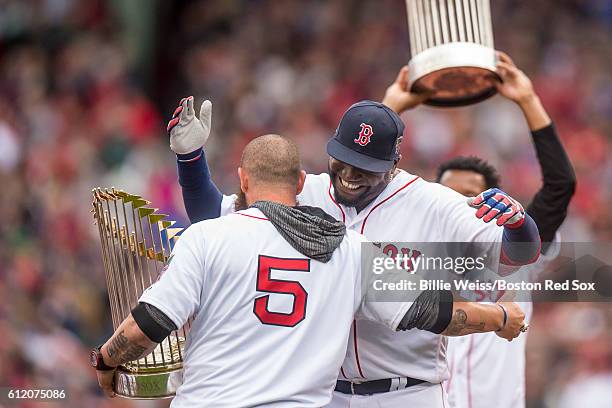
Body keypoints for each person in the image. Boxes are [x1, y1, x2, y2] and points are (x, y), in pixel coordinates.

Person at [166, 67, 541, 406]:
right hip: (324, 393)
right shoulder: (304, 193)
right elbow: (213, 219)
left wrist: (518, 222)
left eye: (365, 167)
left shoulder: (434, 204)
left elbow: (515, 256)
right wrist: (190, 159)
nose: (349, 174)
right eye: (342, 160)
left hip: (408, 391)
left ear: (394, 164)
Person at [90, 134, 527, 407]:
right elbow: (430, 311)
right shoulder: (345, 249)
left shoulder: (208, 237)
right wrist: (498, 318)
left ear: (242, 180)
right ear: (302, 183)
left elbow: (148, 323)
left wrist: (107, 360)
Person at [436, 52, 576, 408]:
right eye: (447, 194)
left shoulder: (516, 251)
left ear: (491, 204)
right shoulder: (410, 253)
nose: (457, 203)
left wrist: (527, 100)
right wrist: (391, 107)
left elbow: (559, 185)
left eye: (469, 195)